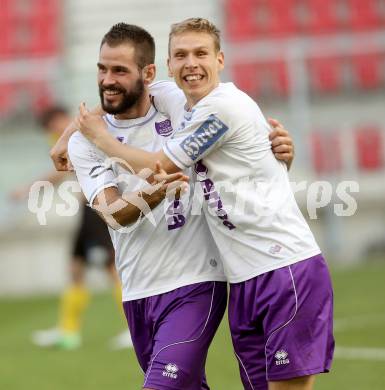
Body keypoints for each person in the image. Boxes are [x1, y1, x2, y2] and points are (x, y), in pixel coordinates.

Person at [69, 19, 334, 390]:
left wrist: (104, 141)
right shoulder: (181, 103)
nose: (191, 63)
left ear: (220, 59)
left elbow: (163, 164)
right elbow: (115, 210)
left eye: (200, 54)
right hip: (232, 278)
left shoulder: (214, 106)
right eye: (181, 55)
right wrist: (74, 133)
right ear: (169, 65)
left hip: (270, 267)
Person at [10, 106, 132, 350]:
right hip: (88, 210)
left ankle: (134, 328)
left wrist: (29, 189)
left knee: (111, 267)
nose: (53, 133)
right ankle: (68, 331)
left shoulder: (85, 133)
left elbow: (62, 173)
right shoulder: (71, 137)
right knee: (76, 268)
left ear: (60, 120)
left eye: (52, 126)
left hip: (98, 207)